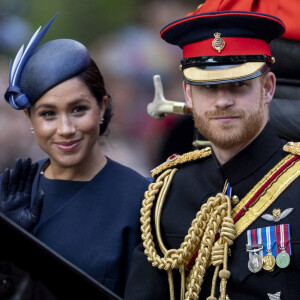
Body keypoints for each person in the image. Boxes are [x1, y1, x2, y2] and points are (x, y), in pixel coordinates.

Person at [124, 8, 300, 300]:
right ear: (189, 95)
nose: (223, 101)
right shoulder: (166, 194)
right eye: (208, 87)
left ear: (267, 88)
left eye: (239, 85)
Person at [0, 14, 149, 298]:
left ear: (102, 107)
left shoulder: (141, 201)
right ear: (29, 119)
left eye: (78, 109)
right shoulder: (9, 196)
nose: (65, 129)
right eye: (48, 114)